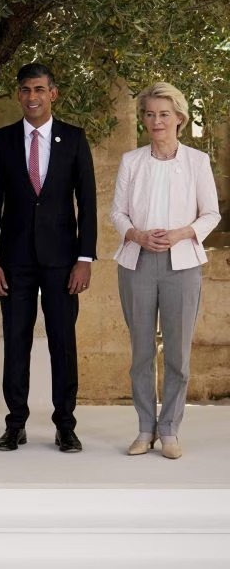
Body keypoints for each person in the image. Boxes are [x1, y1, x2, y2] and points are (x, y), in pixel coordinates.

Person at [0, 62, 97, 453]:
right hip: (13, 261)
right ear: (19, 95)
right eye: (26, 90)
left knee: (62, 343)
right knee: (16, 342)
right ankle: (15, 424)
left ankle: (65, 425)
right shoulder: (3, 140)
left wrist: (85, 258)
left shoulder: (74, 139)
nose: (32, 97)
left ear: (53, 94)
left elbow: (88, 203)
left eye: (39, 89)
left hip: (63, 261)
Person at [111, 82, 219, 460]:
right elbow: (117, 213)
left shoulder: (197, 162)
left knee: (177, 353)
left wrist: (180, 233)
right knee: (141, 352)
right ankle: (145, 428)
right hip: (137, 263)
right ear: (143, 119)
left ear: (179, 119)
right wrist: (137, 235)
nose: (156, 121)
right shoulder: (131, 161)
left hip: (182, 265)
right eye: (150, 114)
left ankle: (170, 429)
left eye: (164, 114)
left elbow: (211, 214)